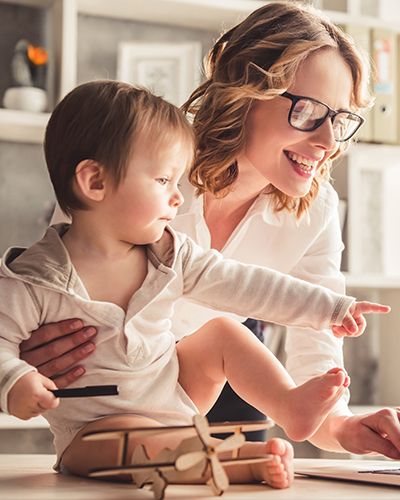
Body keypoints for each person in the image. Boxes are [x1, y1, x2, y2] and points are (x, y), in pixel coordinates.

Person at [19, 2, 400, 458]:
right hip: (112, 391)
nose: (327, 143)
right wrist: (20, 355)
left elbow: (314, 351)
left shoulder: (315, 210)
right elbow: (53, 283)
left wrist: (342, 426)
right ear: (246, 92)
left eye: (339, 122)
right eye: (309, 112)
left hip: (228, 382)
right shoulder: (149, 171)